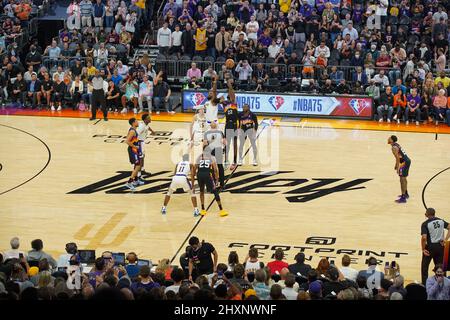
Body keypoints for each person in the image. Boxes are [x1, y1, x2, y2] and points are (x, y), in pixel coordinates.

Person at [193, 148, 228, 217]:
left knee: (201, 191)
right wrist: (217, 179)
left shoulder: (199, 157)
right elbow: (215, 169)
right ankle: (221, 210)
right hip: (207, 174)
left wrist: (194, 176)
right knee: (215, 191)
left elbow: (195, 167)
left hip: (199, 174)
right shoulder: (211, 157)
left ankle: (203, 209)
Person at [421, 208, 450, 285]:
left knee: (424, 267)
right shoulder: (441, 221)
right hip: (441, 247)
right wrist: (445, 239)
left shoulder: (425, 224)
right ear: (434, 213)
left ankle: (425, 285)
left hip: (430, 248)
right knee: (441, 267)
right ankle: (443, 284)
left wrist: (423, 249)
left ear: (426, 214)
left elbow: (424, 238)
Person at [387, 135, 411, 203]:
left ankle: (403, 198)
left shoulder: (394, 147)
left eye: (389, 138)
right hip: (407, 160)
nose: (388, 138)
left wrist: (397, 167)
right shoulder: (396, 144)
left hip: (403, 162)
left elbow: (397, 158)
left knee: (402, 179)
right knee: (404, 178)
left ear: (391, 140)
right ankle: (406, 194)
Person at [203, 121, 226, 189]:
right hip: (218, 149)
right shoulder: (220, 132)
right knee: (220, 166)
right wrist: (224, 148)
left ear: (210, 126)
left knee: (212, 167)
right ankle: (222, 183)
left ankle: (213, 183)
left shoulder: (207, 132)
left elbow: (205, 143)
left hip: (210, 150)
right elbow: (225, 142)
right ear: (216, 126)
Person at [223, 79, 239, 168]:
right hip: (227, 124)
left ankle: (235, 161)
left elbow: (232, 93)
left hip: (234, 125)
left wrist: (229, 84)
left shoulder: (234, 103)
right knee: (227, 143)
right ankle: (226, 160)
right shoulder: (224, 104)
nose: (231, 95)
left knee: (235, 143)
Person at [124, 118, 142, 191]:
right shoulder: (132, 131)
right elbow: (127, 141)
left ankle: (136, 180)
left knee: (137, 164)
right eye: (136, 121)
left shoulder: (133, 130)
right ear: (133, 123)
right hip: (132, 150)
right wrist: (135, 146)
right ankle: (129, 182)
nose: (138, 122)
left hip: (134, 149)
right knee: (138, 165)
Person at [136, 113, 155, 178]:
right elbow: (136, 134)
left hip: (142, 142)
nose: (150, 119)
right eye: (148, 118)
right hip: (139, 143)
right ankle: (139, 174)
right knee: (140, 158)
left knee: (143, 156)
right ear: (145, 120)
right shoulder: (141, 126)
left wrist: (152, 131)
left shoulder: (145, 124)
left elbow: (148, 127)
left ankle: (142, 169)